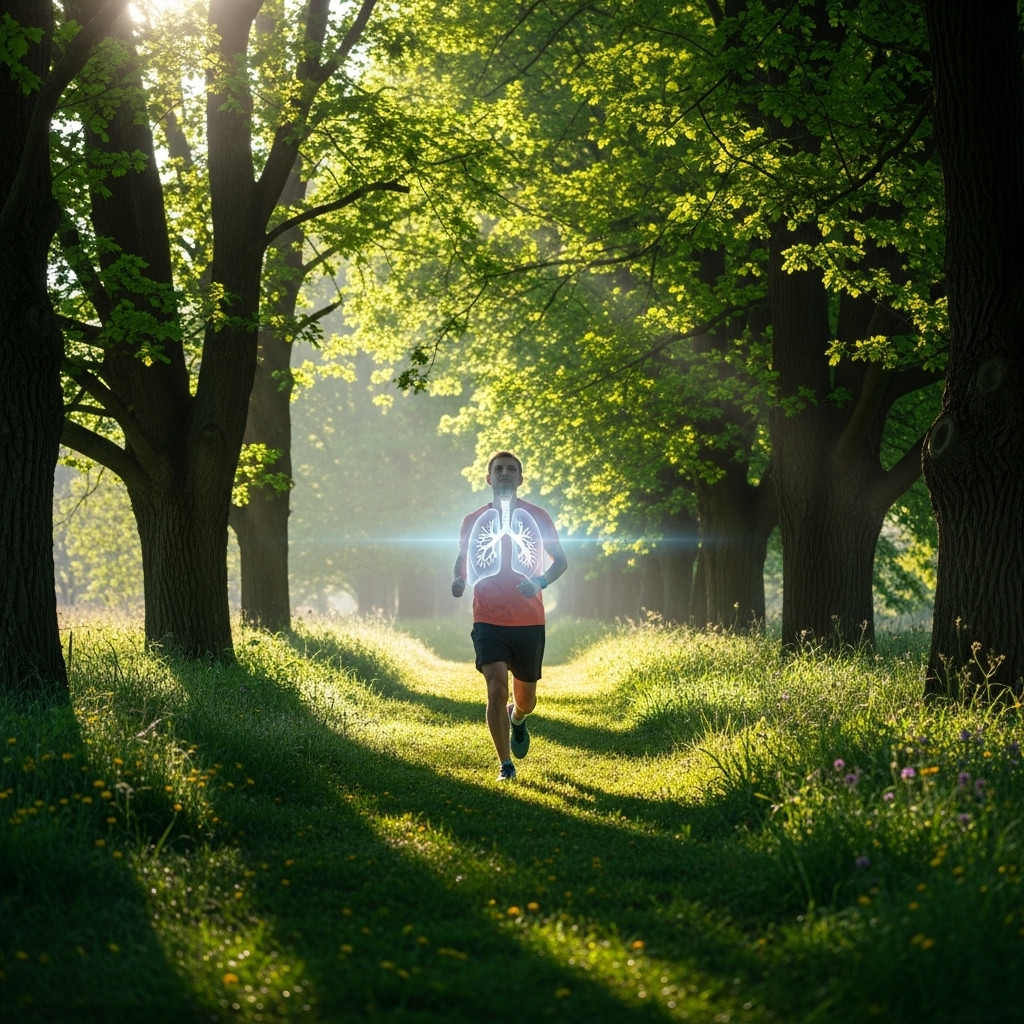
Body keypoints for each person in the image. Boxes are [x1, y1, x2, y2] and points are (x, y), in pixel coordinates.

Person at [452, 451, 567, 781]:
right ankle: (506, 765)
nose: (505, 473)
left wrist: (539, 582)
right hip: (487, 618)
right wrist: (459, 579)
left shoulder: (538, 517)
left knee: (526, 700)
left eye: (511, 469)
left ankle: (517, 717)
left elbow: (560, 561)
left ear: (520, 478)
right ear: (489, 478)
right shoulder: (473, 520)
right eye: (499, 469)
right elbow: (463, 557)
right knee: (496, 689)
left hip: (529, 621)